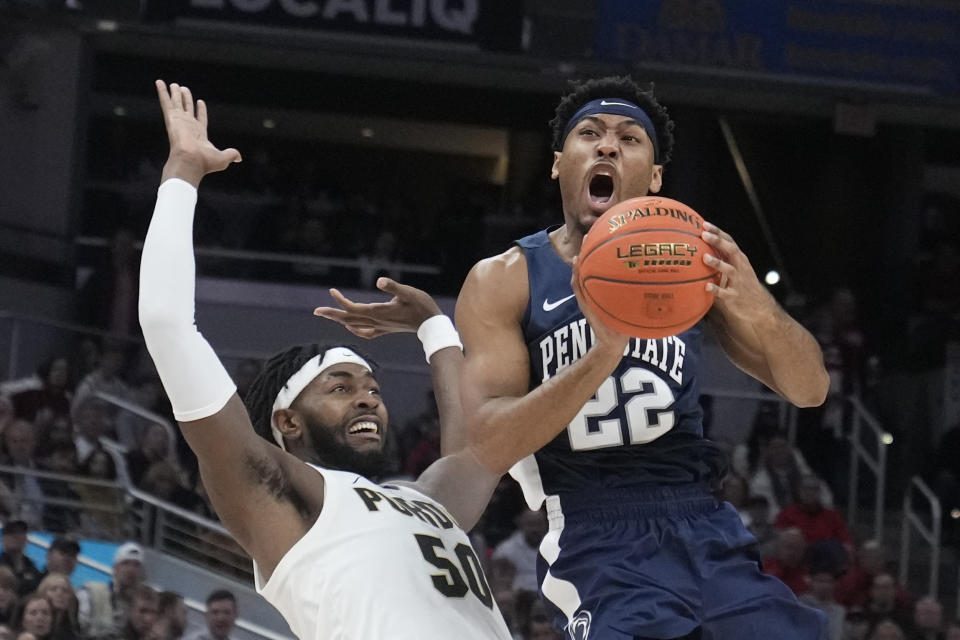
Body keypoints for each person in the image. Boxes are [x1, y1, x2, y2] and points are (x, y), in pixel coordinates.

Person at [139, 80, 522, 640]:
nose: (368, 396)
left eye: (371, 386)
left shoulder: (416, 502)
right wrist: (184, 175)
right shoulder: (275, 492)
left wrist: (433, 328)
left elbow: (473, 451)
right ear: (287, 421)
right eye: (340, 387)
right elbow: (167, 325)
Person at [454, 75, 831, 639]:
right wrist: (601, 355)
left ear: (655, 179)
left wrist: (759, 306)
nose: (608, 145)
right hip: (594, 531)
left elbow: (810, 389)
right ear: (559, 163)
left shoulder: (692, 263)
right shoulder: (505, 279)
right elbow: (487, 444)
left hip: (702, 518)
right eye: (590, 133)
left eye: (630, 138)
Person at [76, 542, 145, 640]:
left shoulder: (145, 607)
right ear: (115, 569)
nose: (131, 569)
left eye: (136, 565)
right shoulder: (92, 593)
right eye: (125, 563)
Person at [0, 522, 39, 597]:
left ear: (26, 539)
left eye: (20, 533)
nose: (15, 536)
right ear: (3, 539)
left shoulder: (33, 568)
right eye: (11, 533)